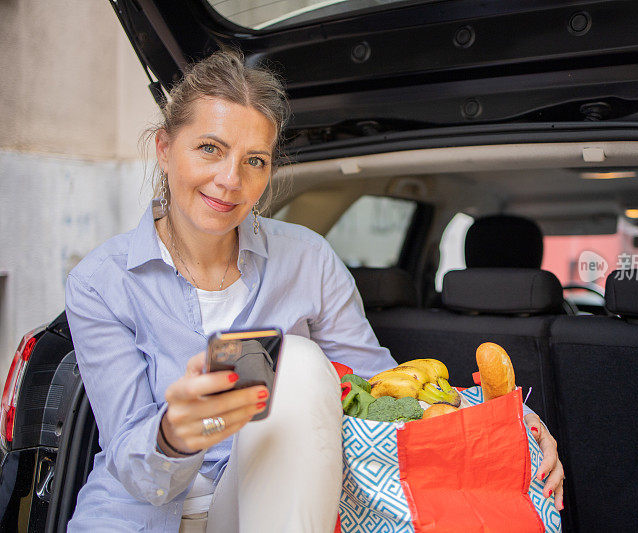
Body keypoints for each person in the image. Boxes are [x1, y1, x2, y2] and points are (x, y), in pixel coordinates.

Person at [64, 50, 565, 532]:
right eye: (210, 149)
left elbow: (383, 389)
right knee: (292, 360)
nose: (229, 179)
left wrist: (509, 422)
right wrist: (176, 434)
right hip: (140, 516)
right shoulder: (101, 282)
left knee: (297, 362)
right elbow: (133, 467)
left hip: (267, 507)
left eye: (254, 160)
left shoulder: (307, 259)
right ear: (165, 149)